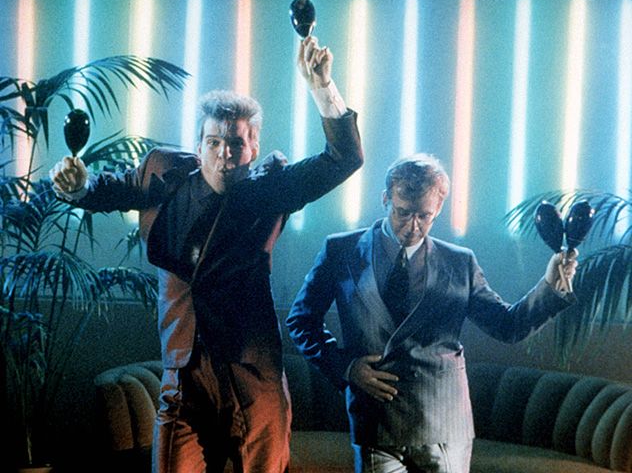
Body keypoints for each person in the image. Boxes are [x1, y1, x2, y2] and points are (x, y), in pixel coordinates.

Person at [49, 36, 363, 473]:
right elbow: (109, 188)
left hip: (252, 377)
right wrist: (77, 185)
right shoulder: (164, 173)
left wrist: (322, 87)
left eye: (235, 144)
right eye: (213, 142)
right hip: (183, 375)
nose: (223, 155)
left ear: (253, 149)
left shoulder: (271, 190)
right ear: (199, 147)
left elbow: (343, 158)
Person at [286, 153, 577, 473]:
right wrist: (347, 367)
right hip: (375, 421)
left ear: (438, 209)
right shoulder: (340, 251)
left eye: (424, 216)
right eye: (403, 212)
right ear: (385, 199)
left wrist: (550, 285)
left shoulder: (460, 262)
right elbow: (301, 320)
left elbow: (508, 326)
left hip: (443, 423)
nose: (413, 227)